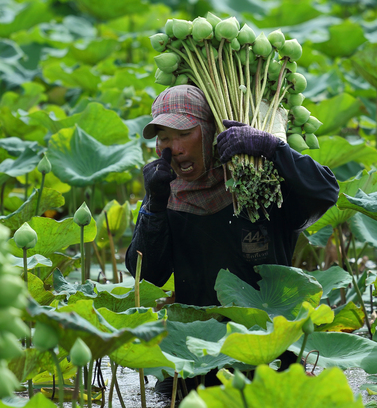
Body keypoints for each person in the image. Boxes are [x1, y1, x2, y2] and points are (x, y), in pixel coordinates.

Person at [125, 84, 339, 392]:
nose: (175, 147)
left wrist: (273, 149)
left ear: (212, 131)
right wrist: (154, 206)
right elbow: (146, 275)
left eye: (184, 133)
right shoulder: (166, 196)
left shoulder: (259, 183)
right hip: (198, 358)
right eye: (165, 138)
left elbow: (327, 191)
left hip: (268, 353)